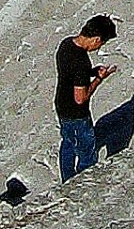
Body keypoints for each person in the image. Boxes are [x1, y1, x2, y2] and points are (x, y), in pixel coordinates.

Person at [55, 14, 118, 181]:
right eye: (102, 42)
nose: (99, 46)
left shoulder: (66, 44)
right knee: (87, 155)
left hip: (62, 107)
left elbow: (71, 73)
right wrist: (99, 79)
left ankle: (66, 181)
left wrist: (92, 71)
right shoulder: (81, 62)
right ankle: (81, 185)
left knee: (68, 144)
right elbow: (80, 98)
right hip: (77, 115)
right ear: (96, 39)